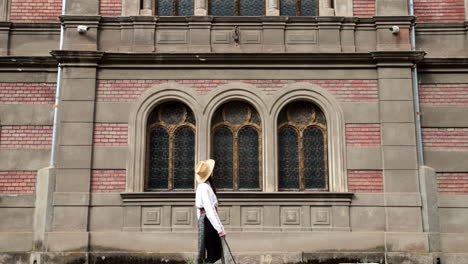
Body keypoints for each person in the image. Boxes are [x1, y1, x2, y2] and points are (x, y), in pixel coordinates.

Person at [195, 159, 226, 264]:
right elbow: (209, 210)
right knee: (213, 253)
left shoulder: (204, 186)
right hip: (208, 221)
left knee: (212, 251)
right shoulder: (204, 188)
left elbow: (201, 210)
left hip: (205, 220)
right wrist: (220, 229)